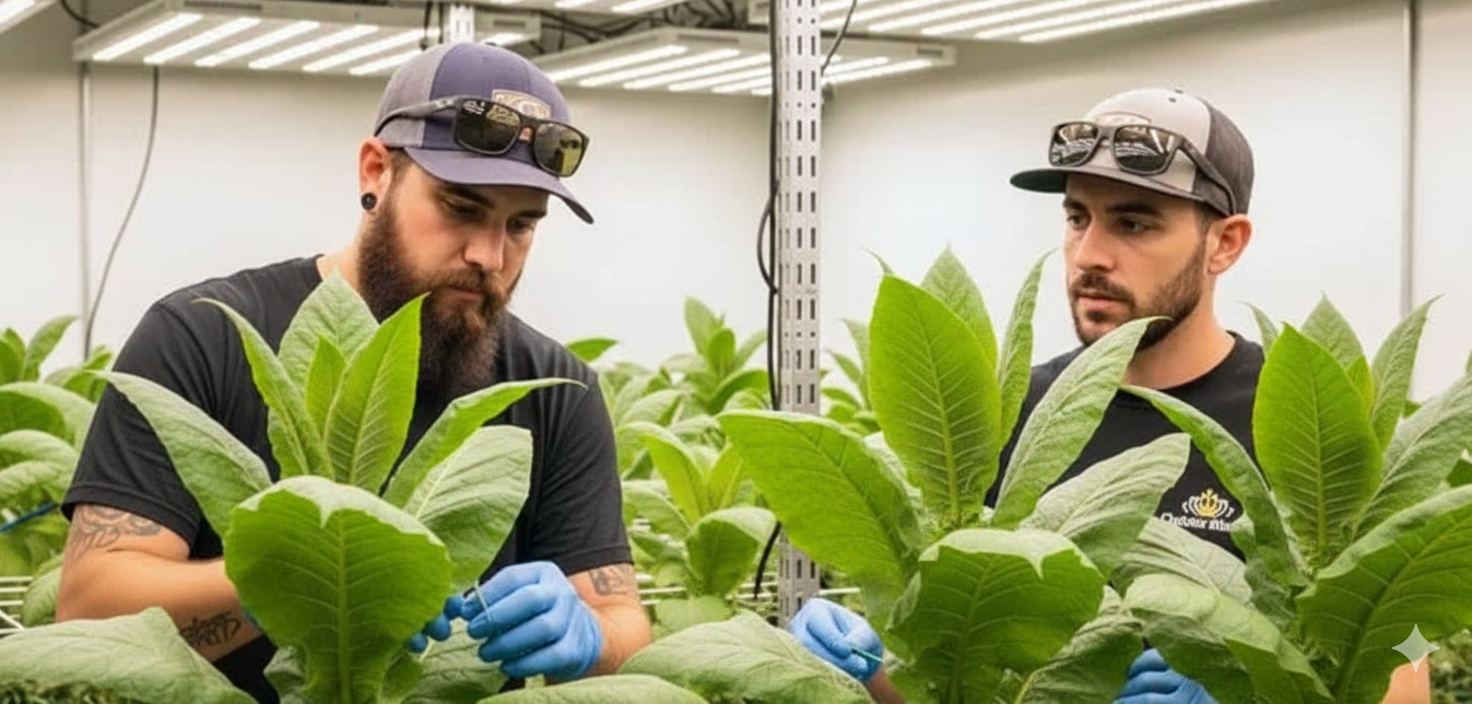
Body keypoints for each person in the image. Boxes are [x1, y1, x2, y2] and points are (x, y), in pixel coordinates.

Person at [786, 87, 1431, 703]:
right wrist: (866, 667)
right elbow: (967, 680)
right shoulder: (1015, 418)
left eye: (1134, 223)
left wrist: (1251, 688)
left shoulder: (1304, 426)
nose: (1089, 254)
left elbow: (1406, 660)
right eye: (1077, 217)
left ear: (1224, 244)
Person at [54, 42, 651, 702]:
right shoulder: (203, 336)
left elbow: (623, 627)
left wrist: (591, 640)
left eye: (523, 225)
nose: (490, 255)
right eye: (461, 207)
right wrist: (307, 584)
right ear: (375, 171)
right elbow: (90, 612)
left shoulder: (557, 392)